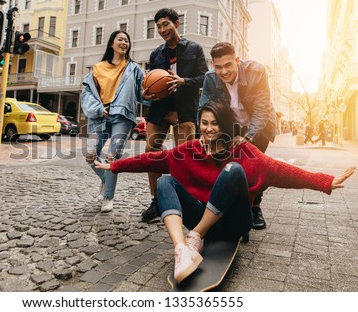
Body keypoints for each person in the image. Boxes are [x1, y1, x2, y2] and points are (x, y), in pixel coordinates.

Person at [95, 100, 355, 283]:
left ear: (226, 125)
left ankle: (195, 235)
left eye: (215, 123)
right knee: (164, 182)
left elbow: (284, 171)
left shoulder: (245, 152)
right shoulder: (190, 150)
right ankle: (182, 249)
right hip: (201, 216)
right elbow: (151, 160)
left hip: (234, 222)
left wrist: (325, 181)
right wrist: (115, 165)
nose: (208, 128)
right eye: (204, 123)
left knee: (233, 170)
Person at [199, 42, 277, 230]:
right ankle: (226, 207)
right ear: (213, 65)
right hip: (232, 125)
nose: (224, 71)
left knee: (254, 168)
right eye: (218, 67)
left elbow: (261, 110)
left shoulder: (256, 71)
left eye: (228, 65)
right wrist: (202, 134)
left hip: (259, 126)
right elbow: (203, 107)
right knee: (228, 166)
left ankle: (255, 208)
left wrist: (248, 137)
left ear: (237, 61)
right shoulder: (210, 78)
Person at [141, 8, 208, 222]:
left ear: (176, 23)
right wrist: (147, 93)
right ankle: (156, 200)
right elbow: (152, 81)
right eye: (159, 26)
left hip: (185, 108)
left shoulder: (194, 49)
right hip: (160, 108)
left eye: (166, 24)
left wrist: (184, 82)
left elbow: (205, 78)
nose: (162, 30)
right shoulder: (156, 54)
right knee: (151, 151)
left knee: (183, 156)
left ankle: (182, 199)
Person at [81, 30, 147, 213]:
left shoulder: (134, 68)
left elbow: (143, 93)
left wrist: (152, 93)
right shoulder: (97, 68)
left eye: (127, 40)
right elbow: (86, 93)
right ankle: (105, 179)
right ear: (112, 43)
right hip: (100, 115)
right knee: (89, 154)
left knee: (112, 157)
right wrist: (97, 109)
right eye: (120, 39)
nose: (124, 42)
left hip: (123, 116)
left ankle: (108, 197)